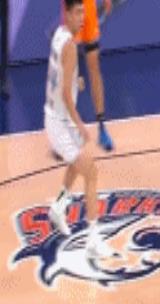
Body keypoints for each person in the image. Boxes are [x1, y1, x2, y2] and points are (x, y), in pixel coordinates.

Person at [45, 0, 113, 259]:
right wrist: (81, 125)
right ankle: (93, 240)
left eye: (84, 12)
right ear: (67, 13)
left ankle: (58, 207)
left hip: (54, 116)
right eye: (77, 13)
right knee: (91, 172)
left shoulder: (59, 36)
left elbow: (58, 75)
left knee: (79, 159)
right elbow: (65, 95)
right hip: (60, 123)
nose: (82, 18)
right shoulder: (71, 48)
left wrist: (75, 81)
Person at [70, 0, 114, 150]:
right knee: (69, 70)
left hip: (89, 8)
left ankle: (102, 128)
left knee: (94, 67)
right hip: (72, 7)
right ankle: (65, 132)